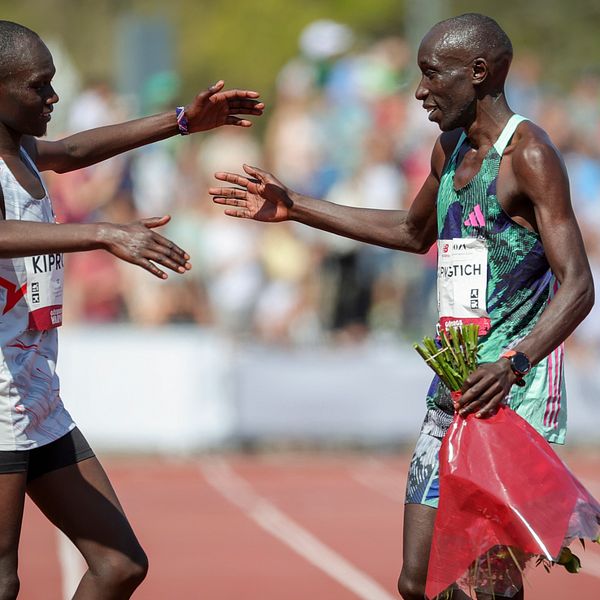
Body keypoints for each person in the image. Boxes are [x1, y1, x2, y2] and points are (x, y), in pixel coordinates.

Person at [209, 13, 593, 600]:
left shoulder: (530, 157)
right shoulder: (449, 150)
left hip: (512, 393)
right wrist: (296, 207)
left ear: (479, 73)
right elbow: (414, 233)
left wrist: (515, 361)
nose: (418, 91)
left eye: (431, 75)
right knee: (417, 583)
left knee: (492, 583)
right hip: (453, 382)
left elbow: (578, 286)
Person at [0, 20, 263, 600]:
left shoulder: (20, 149)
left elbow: (72, 151)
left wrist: (184, 121)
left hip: (36, 390)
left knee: (119, 565)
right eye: (38, 87)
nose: (53, 97)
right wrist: (100, 233)